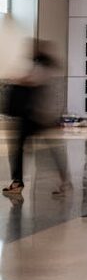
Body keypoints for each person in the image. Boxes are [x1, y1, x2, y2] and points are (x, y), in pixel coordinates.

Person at [3, 46, 70, 197]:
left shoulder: (41, 70)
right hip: (43, 118)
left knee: (19, 148)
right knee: (50, 151)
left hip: (36, 118)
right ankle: (63, 180)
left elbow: (28, 80)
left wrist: (13, 79)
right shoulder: (51, 72)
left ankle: (18, 182)